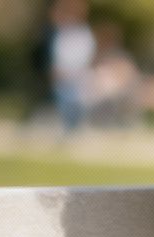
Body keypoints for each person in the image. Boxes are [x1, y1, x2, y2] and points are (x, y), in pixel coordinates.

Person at [47, 0, 96, 135]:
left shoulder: (83, 34)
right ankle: (68, 128)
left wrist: (71, 72)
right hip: (63, 76)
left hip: (76, 76)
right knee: (65, 102)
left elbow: (84, 58)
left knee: (76, 103)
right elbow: (59, 56)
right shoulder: (63, 33)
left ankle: (75, 129)